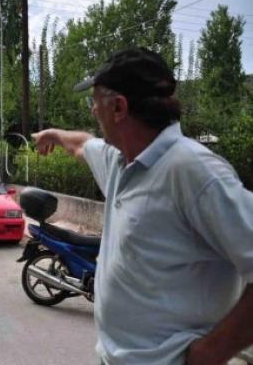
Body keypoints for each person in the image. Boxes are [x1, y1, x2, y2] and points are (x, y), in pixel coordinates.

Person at [31, 47, 253, 365]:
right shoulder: (121, 161)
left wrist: (210, 353)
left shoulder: (194, 171)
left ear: (118, 107)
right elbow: (80, 143)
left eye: (95, 101)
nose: (93, 111)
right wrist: (53, 135)